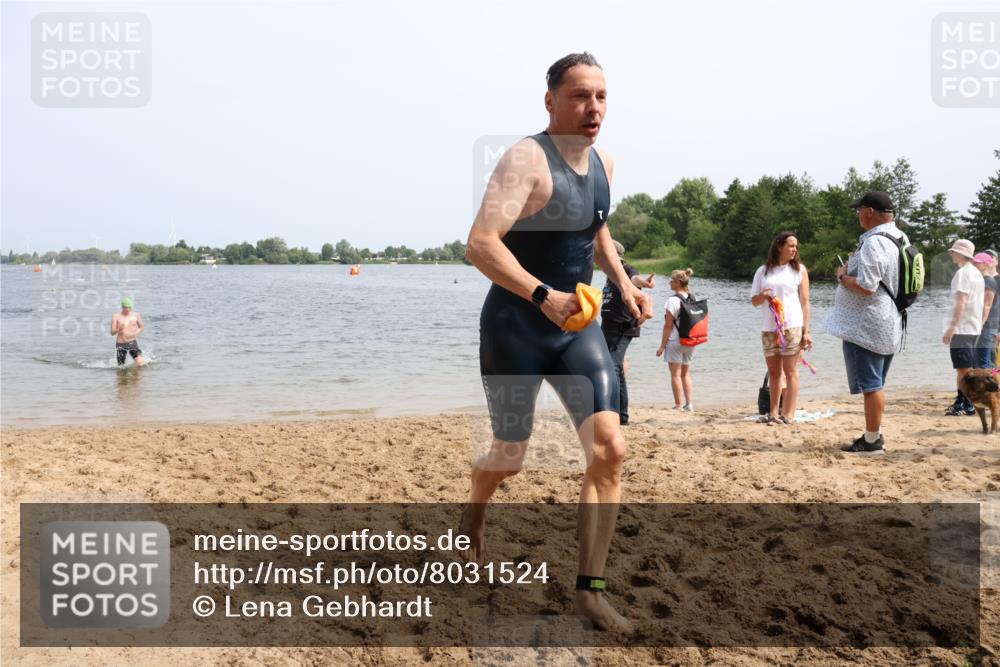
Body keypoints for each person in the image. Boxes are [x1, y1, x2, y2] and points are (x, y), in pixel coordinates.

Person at [462, 52, 652, 631]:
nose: (593, 108)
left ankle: (589, 591)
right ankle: (475, 505)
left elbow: (595, 229)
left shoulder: (605, 163)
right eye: (579, 96)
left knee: (610, 451)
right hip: (516, 327)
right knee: (509, 456)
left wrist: (623, 284)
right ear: (551, 101)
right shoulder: (525, 159)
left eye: (600, 96)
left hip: (578, 330)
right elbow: (480, 243)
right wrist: (545, 296)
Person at [825, 192, 905, 455]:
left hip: (866, 326)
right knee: (876, 384)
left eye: (859, 210)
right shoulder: (899, 238)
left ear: (869, 211)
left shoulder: (875, 242)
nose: (858, 214)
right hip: (888, 320)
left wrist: (842, 276)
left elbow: (866, 287)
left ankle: (872, 442)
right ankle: (874, 435)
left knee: (871, 386)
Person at [750, 232, 813, 425]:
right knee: (774, 372)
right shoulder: (763, 271)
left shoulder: (799, 270)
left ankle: (789, 414)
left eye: (796, 246)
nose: (794, 249)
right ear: (779, 246)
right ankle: (773, 414)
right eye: (791, 246)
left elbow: (805, 302)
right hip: (769, 328)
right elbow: (754, 301)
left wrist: (806, 331)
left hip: (792, 326)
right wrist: (763, 295)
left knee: (791, 371)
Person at [600, 239, 655, 425]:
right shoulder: (611, 273)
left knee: (614, 367)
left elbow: (635, 279)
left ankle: (620, 415)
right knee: (612, 366)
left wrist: (643, 282)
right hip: (607, 327)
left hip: (621, 328)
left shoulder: (627, 270)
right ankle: (615, 412)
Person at [943, 239, 985, 415]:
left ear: (960, 254)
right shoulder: (976, 273)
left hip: (963, 329)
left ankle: (967, 404)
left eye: (953, 252)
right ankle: (963, 402)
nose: (951, 254)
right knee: (966, 367)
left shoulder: (963, 274)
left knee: (964, 369)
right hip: (972, 327)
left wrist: (953, 327)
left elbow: (962, 302)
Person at [655, 268, 696, 411]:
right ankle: (689, 404)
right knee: (685, 373)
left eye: (671, 281)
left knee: (675, 375)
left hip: (675, 341)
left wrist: (661, 346)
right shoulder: (692, 298)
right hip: (690, 340)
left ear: (678, 282)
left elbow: (668, 326)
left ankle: (678, 405)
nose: (669, 283)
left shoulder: (672, 300)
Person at [973, 251, 999, 370]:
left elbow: (988, 305)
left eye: (992, 257)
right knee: (982, 358)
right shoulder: (981, 280)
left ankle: (994, 385)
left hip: (990, 325)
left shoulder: (991, 281)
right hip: (984, 324)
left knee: (989, 359)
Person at [111, 298, 146, 367]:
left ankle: (136, 377)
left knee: (140, 362)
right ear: (122, 307)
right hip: (121, 344)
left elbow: (142, 327)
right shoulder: (116, 316)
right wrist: (118, 329)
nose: (127, 309)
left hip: (132, 342)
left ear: (131, 307)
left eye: (129, 307)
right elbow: (112, 332)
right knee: (121, 367)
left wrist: (135, 333)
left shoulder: (136, 315)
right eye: (125, 307)